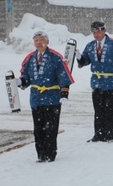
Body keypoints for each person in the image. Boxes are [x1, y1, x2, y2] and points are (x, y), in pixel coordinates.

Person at [17, 31, 75, 163]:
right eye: (36, 40)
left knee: (51, 128)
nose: (39, 43)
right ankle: (40, 154)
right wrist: (21, 81)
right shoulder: (30, 58)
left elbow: (63, 76)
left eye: (41, 40)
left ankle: (50, 154)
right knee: (38, 128)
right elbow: (26, 75)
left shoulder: (56, 57)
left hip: (52, 98)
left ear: (47, 42)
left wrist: (64, 93)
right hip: (36, 99)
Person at [76, 21, 113, 142]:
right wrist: (78, 57)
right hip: (96, 82)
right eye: (94, 32)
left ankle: (109, 134)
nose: (96, 35)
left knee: (109, 109)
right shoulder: (90, 45)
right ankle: (98, 134)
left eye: (98, 31)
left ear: (104, 30)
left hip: (109, 81)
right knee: (98, 109)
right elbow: (85, 61)